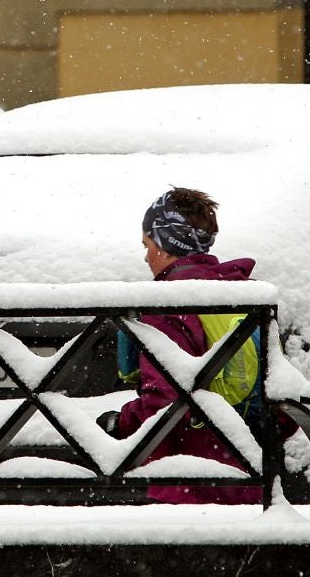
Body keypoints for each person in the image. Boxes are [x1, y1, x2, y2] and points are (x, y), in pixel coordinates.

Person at [96, 187, 262, 505]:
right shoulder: (239, 293)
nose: (146, 257)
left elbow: (164, 401)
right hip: (242, 474)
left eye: (148, 245)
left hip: (185, 484)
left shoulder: (170, 303)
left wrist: (122, 423)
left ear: (168, 244)